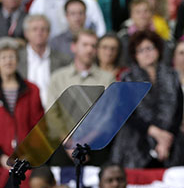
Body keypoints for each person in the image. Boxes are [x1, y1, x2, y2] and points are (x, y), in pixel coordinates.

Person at [111, 31, 184, 168]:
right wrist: (155, 133)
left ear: (158, 50)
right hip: (135, 143)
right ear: (135, 55)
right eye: (140, 50)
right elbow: (125, 113)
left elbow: (179, 111)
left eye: (149, 48)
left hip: (170, 142)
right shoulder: (127, 78)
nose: (146, 53)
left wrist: (166, 139)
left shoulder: (172, 75)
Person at [0, 37, 43, 170]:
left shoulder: (32, 89)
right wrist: (1, 157)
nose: (8, 61)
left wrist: (29, 154)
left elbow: (39, 125)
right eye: (3, 57)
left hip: (27, 161)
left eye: (12, 57)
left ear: (18, 60)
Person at [47, 29, 115, 109]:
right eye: (85, 45)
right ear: (73, 47)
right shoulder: (58, 78)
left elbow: (110, 111)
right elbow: (52, 113)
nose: (89, 50)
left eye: (93, 46)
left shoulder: (107, 79)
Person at [17, 14, 72, 107]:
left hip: (54, 112)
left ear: (49, 33)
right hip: (24, 113)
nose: (39, 32)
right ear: (26, 33)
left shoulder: (64, 60)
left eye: (43, 29)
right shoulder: (16, 59)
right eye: (34, 29)